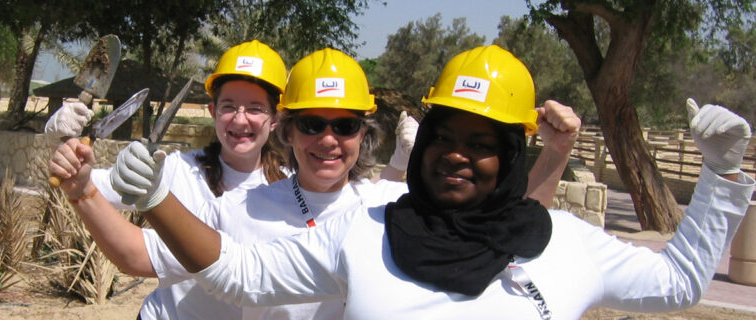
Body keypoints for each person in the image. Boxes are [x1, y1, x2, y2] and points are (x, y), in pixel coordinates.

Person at [110, 45, 755, 319]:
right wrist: (158, 198)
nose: (455, 156)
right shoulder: (369, 234)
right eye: (445, 136)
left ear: (511, 154)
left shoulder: (563, 243)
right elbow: (239, 272)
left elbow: (677, 284)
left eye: (482, 144)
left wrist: (722, 175)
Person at [53, 46, 581, 319]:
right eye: (312, 124)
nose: (328, 140)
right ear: (288, 130)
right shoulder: (243, 209)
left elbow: (509, 229)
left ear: (363, 133)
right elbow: (137, 256)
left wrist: (554, 154)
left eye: (345, 125)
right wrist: (84, 190)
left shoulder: (390, 210)